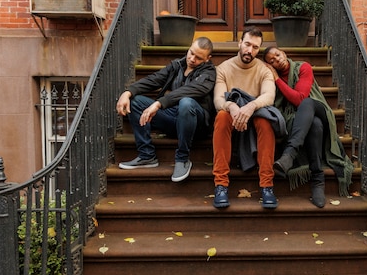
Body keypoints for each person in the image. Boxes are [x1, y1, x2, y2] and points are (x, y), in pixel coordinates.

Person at [116, 36, 216, 182]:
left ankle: (182, 159)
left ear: (208, 58)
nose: (192, 59)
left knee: (186, 103)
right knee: (136, 101)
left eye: (198, 57)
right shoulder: (177, 65)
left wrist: (158, 104)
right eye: (191, 53)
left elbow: (188, 91)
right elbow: (154, 79)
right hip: (173, 118)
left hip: (196, 124)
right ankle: (146, 155)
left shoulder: (209, 73)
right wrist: (128, 92)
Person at [263, 46, 353, 208]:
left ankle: (289, 154)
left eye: (278, 55)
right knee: (314, 125)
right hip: (299, 121)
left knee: (307, 103)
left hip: (319, 110)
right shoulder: (268, 79)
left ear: (284, 53)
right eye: (272, 61)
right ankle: (318, 180)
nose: (277, 59)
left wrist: (277, 79)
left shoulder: (303, 67)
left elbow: (299, 99)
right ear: (270, 65)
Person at [211, 26, 282, 209]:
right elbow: (218, 99)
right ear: (240, 43)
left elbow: (269, 96)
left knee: (266, 121)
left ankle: (267, 185)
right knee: (221, 116)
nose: (250, 51)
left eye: (256, 47)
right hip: (231, 118)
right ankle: (221, 184)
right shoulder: (223, 68)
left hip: (254, 117)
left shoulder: (263, 70)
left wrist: (250, 106)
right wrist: (232, 106)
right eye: (247, 44)